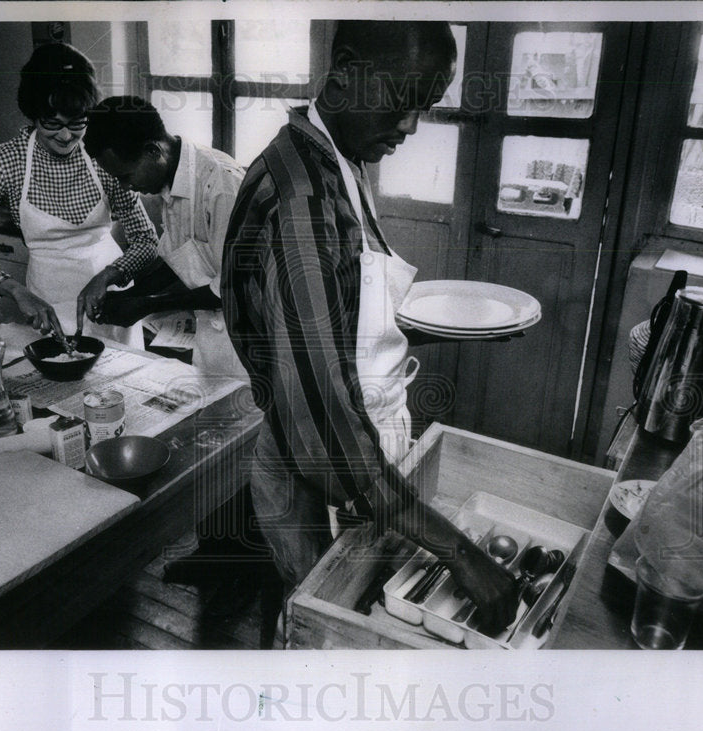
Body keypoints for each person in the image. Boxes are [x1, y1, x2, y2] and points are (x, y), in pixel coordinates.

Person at [222, 20, 519, 633]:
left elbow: (345, 323)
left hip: (354, 463)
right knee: (320, 634)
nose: (411, 126)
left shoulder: (336, 160)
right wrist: (457, 549)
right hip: (328, 474)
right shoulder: (302, 202)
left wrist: (457, 331)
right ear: (346, 68)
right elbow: (328, 425)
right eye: (401, 101)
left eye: (425, 108)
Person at [0, 43, 159, 346]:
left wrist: (111, 275)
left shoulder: (102, 153)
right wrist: (14, 290)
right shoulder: (7, 160)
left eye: (77, 123)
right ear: (33, 115)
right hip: (46, 304)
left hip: (111, 303)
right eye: (52, 123)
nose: (66, 136)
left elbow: (147, 240)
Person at [81, 96, 247, 380]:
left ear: (152, 150)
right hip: (213, 339)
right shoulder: (170, 183)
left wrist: (147, 305)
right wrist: (129, 294)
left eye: (126, 176)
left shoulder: (222, 186)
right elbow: (180, 261)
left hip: (249, 343)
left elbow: (232, 289)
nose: (127, 187)